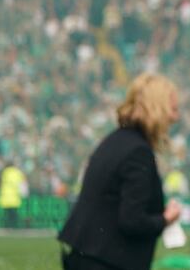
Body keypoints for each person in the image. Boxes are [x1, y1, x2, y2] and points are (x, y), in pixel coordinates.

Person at [58, 74, 183, 270]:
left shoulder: (116, 140)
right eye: (173, 109)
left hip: (86, 256)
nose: (175, 117)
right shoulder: (138, 151)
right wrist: (166, 218)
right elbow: (132, 221)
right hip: (107, 261)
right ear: (157, 109)